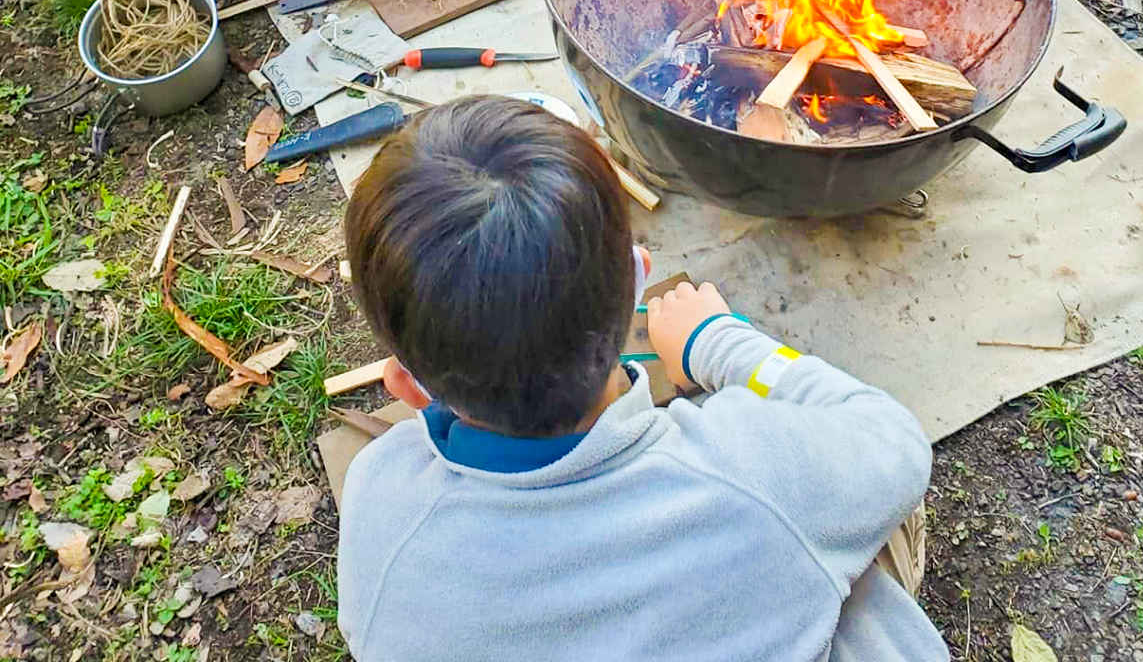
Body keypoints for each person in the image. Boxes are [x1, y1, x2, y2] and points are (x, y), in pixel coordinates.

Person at [337, 95, 949, 662]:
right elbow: (890, 436)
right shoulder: (753, 472)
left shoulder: (381, 498)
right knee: (851, 555)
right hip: (777, 529)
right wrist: (716, 341)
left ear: (407, 385)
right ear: (637, 282)